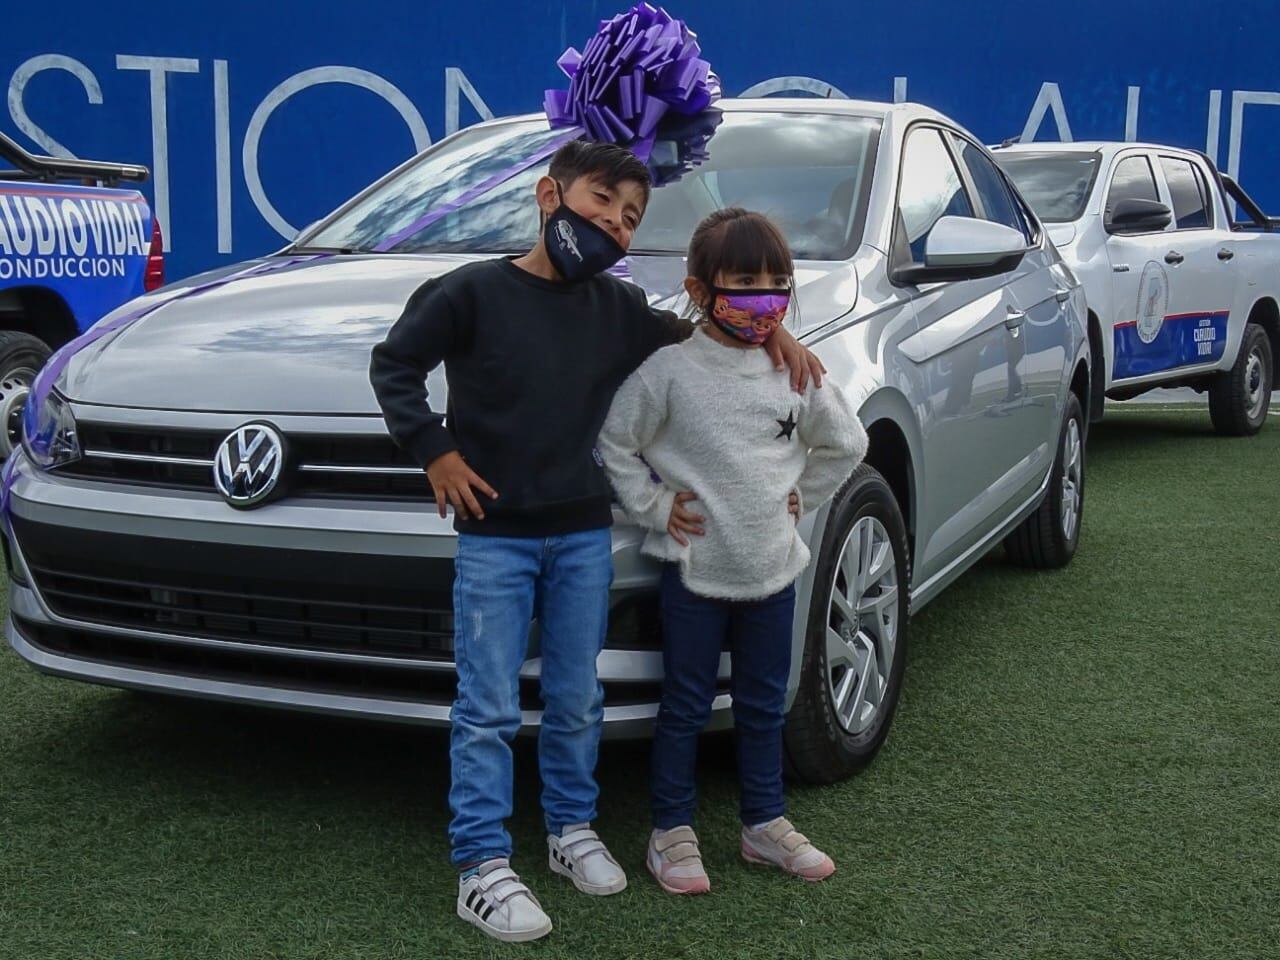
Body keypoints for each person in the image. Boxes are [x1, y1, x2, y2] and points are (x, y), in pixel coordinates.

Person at [369, 142, 825, 943]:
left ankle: (570, 831)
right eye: (602, 202)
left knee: (576, 697)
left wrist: (775, 339)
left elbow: (700, 339)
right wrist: (434, 450)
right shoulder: (469, 292)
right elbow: (395, 364)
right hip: (494, 543)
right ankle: (480, 865)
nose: (614, 223)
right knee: (487, 706)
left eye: (631, 217)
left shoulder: (615, 311)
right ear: (550, 194)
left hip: (583, 535)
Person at [597, 208, 868, 896]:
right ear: (699, 288)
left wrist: (801, 495)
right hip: (695, 577)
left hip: (772, 572)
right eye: (745, 280)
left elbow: (846, 442)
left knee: (762, 702)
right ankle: (670, 833)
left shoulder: (794, 369)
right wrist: (656, 508)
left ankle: (764, 824)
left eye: (778, 280)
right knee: (685, 705)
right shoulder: (670, 371)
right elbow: (615, 442)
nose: (765, 296)